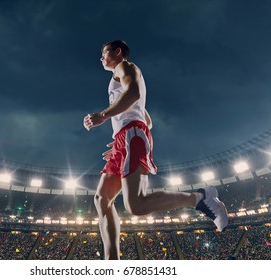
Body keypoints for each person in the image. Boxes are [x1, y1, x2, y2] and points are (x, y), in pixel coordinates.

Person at [83, 40, 228, 260]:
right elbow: (146, 119)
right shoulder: (119, 78)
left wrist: (104, 117)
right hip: (127, 137)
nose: (101, 58)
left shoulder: (126, 67)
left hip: (131, 135)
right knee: (102, 199)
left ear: (117, 52)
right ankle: (111, 262)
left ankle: (199, 198)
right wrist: (122, 136)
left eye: (103, 54)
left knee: (136, 205)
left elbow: (133, 95)